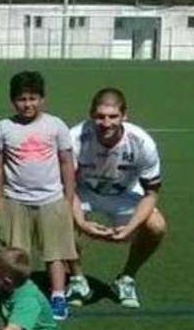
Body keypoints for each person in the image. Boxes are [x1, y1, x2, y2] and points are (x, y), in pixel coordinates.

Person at [68, 88, 167, 309]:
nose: (106, 123)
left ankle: (126, 279)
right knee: (57, 218)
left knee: (157, 226)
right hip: (83, 191)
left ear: (124, 116)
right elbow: (67, 188)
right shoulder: (75, 138)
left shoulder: (142, 142)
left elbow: (151, 193)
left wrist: (132, 226)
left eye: (113, 116)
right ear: (91, 115)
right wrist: (82, 222)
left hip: (124, 193)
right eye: (100, 116)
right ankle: (77, 280)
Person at [0, 71, 78, 320]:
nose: (27, 104)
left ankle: (58, 296)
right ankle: (18, 295)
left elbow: (66, 163)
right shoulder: (4, 128)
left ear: (42, 99)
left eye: (33, 98)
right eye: (21, 99)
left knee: (55, 253)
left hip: (51, 200)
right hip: (15, 200)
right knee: (16, 255)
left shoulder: (56, 125)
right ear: (13, 101)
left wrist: (68, 198)